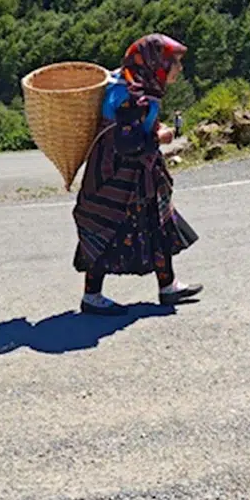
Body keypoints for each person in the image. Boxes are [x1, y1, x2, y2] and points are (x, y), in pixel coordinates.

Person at [72, 34, 201, 315]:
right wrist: (162, 137)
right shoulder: (132, 95)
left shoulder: (138, 86)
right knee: (108, 227)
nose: (179, 69)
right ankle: (92, 296)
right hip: (119, 178)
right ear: (156, 63)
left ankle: (168, 286)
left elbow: (137, 125)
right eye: (175, 63)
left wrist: (154, 127)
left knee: (155, 224)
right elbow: (128, 143)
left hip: (138, 176)